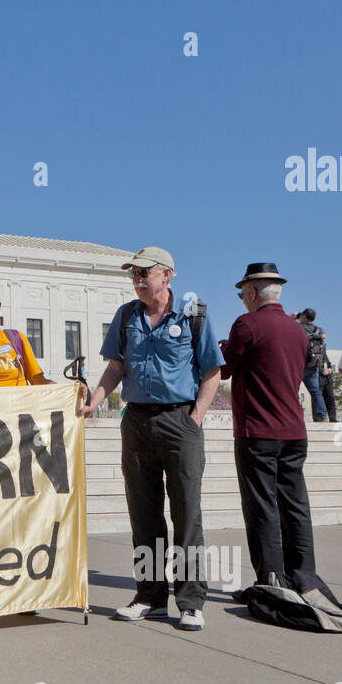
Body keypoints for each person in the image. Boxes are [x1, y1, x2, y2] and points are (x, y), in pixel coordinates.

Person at [78, 247, 223, 631]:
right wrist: (94, 401)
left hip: (180, 421)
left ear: (168, 275)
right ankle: (149, 596)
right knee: (144, 515)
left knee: (186, 515)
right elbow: (115, 367)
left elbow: (212, 372)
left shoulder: (194, 315)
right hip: (137, 421)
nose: (138, 280)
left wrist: (194, 419)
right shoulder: (127, 316)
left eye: (145, 273)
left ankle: (190, 601)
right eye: (134, 274)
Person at [220, 263, 316, 588]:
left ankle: (272, 580)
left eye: (241, 294)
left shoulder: (247, 324)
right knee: (295, 506)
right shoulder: (297, 330)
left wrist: (220, 350)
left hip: (258, 431)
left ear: (251, 292)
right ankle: (304, 577)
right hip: (294, 430)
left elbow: (224, 369)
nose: (242, 300)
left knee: (262, 507)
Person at [295, 309, 328, 422]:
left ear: (303, 316)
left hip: (299, 365)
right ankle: (323, 415)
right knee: (315, 391)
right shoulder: (319, 330)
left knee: (293, 390)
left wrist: (294, 317)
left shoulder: (298, 328)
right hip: (313, 365)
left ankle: (294, 414)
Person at [319, 348, 339, 424]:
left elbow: (329, 364)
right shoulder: (313, 353)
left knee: (330, 398)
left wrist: (330, 369)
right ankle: (319, 418)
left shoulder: (324, 354)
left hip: (327, 380)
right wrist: (321, 371)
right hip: (319, 380)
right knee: (318, 399)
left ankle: (332, 418)